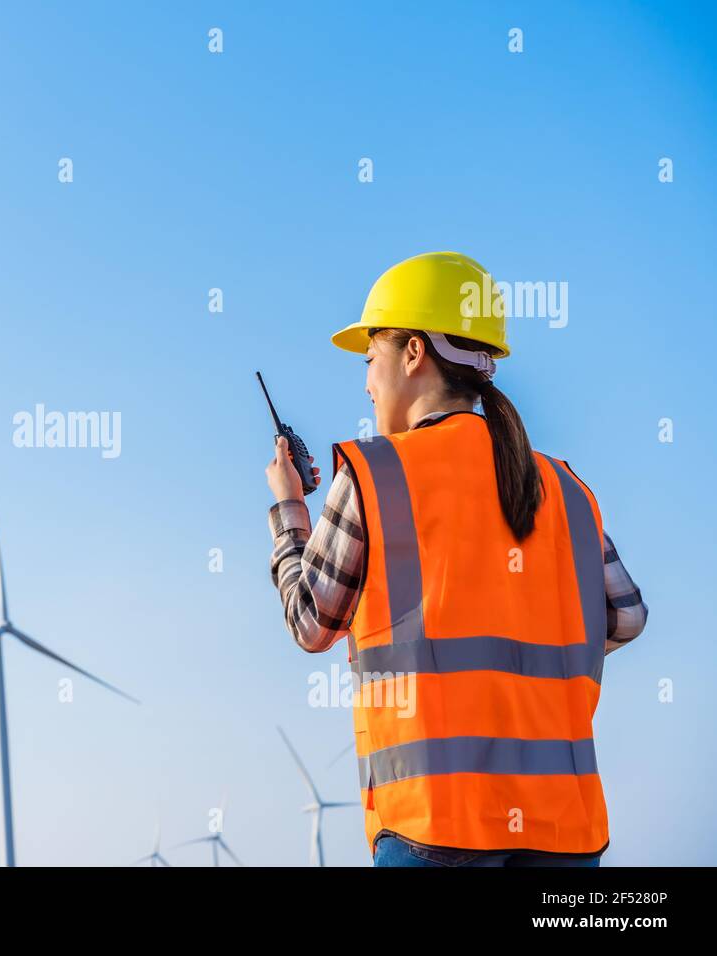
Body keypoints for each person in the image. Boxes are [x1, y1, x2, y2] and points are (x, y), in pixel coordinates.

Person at [265, 252, 648, 867]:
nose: (365, 380)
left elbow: (311, 622)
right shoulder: (567, 488)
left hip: (435, 822)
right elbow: (626, 618)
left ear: (413, 353)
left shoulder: (374, 472)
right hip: (566, 827)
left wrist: (288, 512)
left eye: (370, 358)